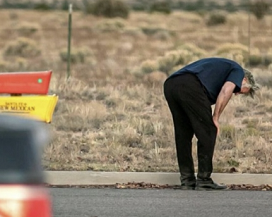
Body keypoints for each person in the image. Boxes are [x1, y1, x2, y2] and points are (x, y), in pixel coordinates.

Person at [163, 57, 259, 190]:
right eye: (238, 91)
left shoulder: (221, 70)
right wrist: (215, 118)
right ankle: (204, 180)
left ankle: (187, 180)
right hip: (189, 85)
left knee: (183, 134)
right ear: (245, 80)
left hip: (171, 84)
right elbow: (226, 91)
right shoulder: (238, 71)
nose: (236, 94)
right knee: (209, 130)